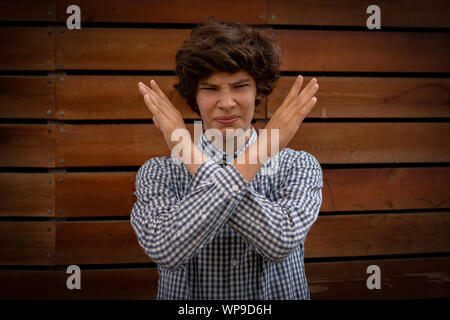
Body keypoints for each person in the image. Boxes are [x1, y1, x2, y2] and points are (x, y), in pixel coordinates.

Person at [131, 21, 322, 299]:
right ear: (195, 96)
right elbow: (164, 249)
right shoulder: (158, 173)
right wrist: (265, 148)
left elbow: (281, 242)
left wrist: (185, 148)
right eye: (210, 89)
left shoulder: (299, 165)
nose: (227, 102)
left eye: (240, 86)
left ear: (258, 91)